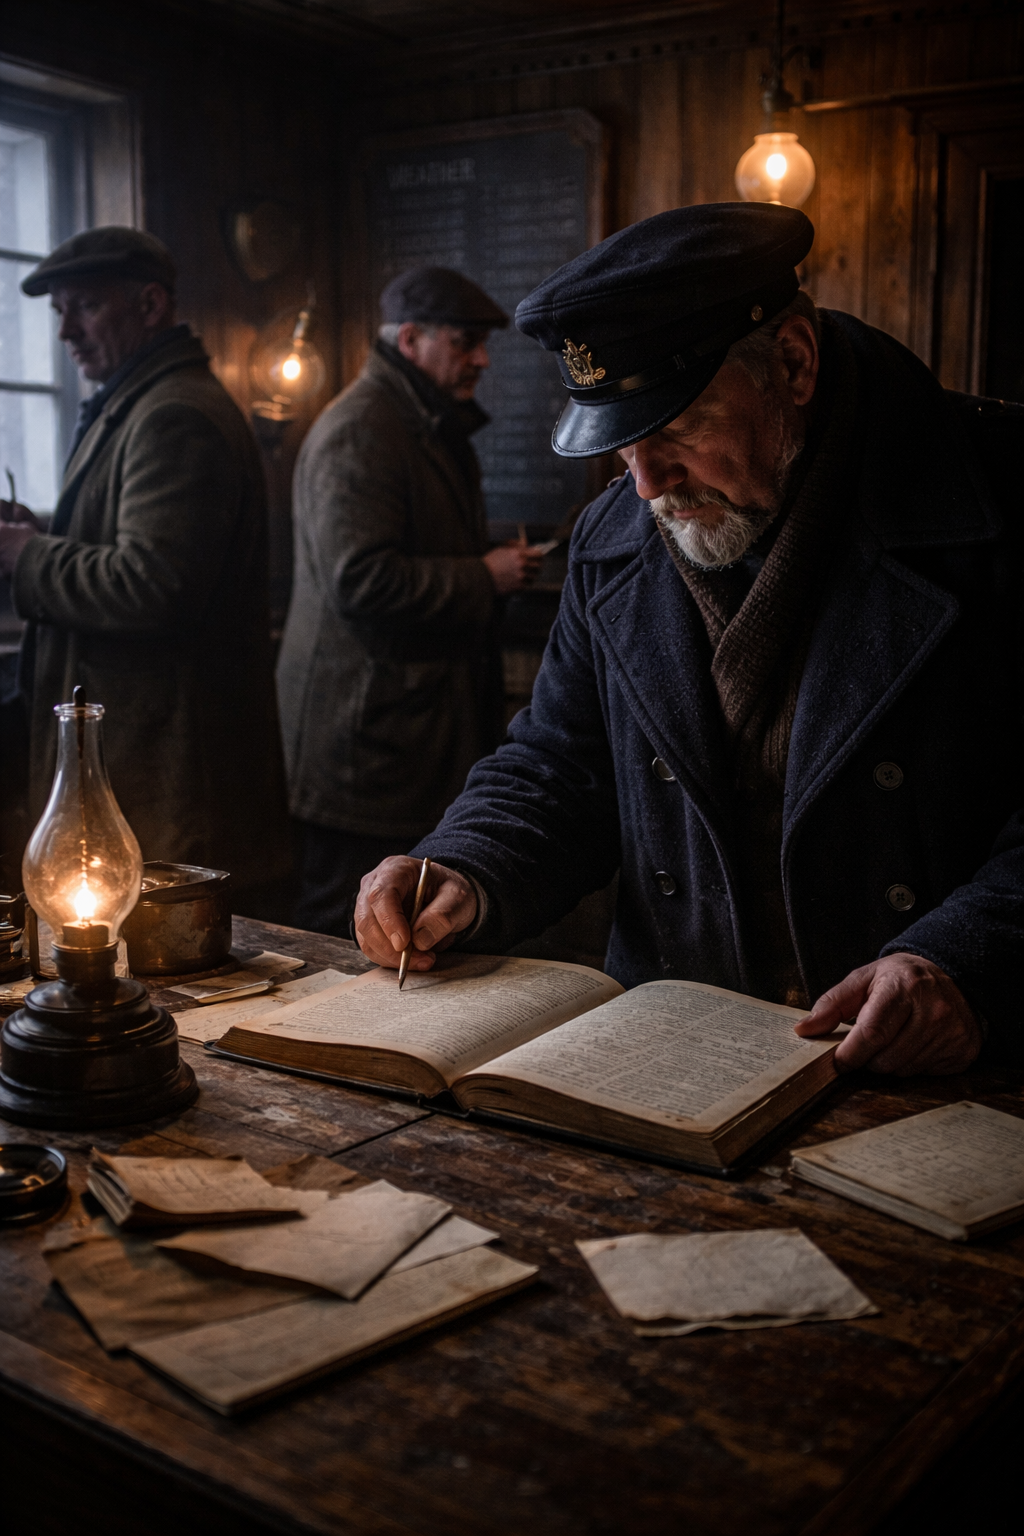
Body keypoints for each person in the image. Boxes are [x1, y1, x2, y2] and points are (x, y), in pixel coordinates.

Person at [354, 203, 1024, 1078]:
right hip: (677, 1055)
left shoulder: (1002, 502)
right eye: (622, 446)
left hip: (926, 1066)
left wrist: (962, 963)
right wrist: (466, 864)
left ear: (792, 361)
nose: (647, 487)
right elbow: (561, 764)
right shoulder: (614, 539)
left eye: (675, 431)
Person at [0, 227, 291, 916]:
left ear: (152, 303)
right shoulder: (135, 405)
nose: (67, 331)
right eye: (59, 312)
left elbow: (154, 583)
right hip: (143, 767)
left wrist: (26, 556)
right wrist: (50, 537)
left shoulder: (174, 415)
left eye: (85, 308)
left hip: (170, 776)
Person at [277, 265, 542, 936]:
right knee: (342, 930)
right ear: (413, 338)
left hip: (403, 735)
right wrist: (485, 576)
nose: (481, 359)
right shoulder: (363, 429)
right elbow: (361, 580)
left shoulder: (419, 420)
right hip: (366, 748)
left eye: (483, 343)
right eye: (465, 342)